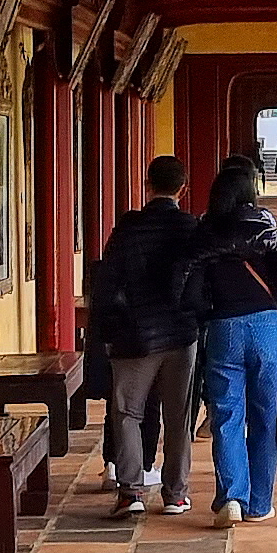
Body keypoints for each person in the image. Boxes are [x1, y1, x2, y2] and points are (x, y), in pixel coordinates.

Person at [179, 165, 277, 524]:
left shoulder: (206, 233)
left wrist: (205, 313)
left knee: (226, 416)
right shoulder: (266, 229)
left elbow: (190, 289)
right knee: (265, 416)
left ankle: (231, 498)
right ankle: (259, 503)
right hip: (268, 327)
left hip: (224, 327)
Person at [90, 155, 203, 516]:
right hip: (180, 334)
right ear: (183, 189)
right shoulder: (191, 228)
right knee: (178, 416)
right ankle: (176, 494)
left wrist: (106, 331)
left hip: (134, 334)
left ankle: (130, 493)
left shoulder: (129, 228)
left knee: (127, 413)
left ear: (147, 185)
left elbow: (107, 283)